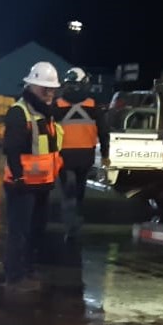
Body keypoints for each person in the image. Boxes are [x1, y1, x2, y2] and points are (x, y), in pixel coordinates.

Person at [2, 61, 63, 295]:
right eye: (45, 88)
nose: (49, 93)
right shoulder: (20, 112)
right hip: (22, 185)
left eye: (52, 89)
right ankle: (15, 277)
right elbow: (12, 149)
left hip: (42, 185)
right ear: (32, 86)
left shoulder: (47, 113)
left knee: (36, 231)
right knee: (19, 232)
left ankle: (28, 270)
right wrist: (18, 177)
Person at [54, 67, 109, 241]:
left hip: (64, 156)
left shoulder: (57, 105)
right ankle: (76, 217)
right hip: (86, 156)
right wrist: (105, 154)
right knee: (79, 190)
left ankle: (70, 224)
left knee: (67, 191)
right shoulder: (93, 105)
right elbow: (103, 131)